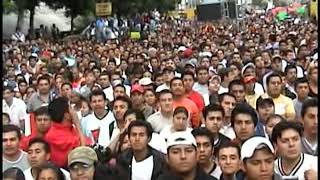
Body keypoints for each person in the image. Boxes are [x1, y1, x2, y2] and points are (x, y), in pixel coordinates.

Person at [44, 97, 86, 168]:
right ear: (66, 115)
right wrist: (78, 124)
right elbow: (83, 152)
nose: (74, 111)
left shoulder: (70, 128)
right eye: (71, 108)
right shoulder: (53, 135)